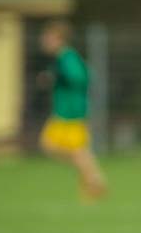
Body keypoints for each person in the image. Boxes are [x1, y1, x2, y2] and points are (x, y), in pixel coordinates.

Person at [39, 20, 106, 200]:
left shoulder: (67, 57)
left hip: (71, 112)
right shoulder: (63, 58)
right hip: (64, 111)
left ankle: (94, 181)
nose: (44, 41)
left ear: (59, 39)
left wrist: (57, 77)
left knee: (73, 150)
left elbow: (80, 77)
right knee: (54, 147)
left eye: (48, 38)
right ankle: (93, 178)